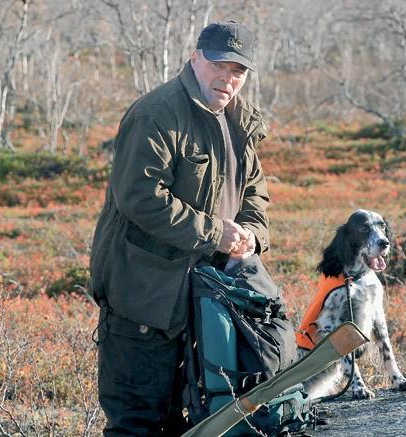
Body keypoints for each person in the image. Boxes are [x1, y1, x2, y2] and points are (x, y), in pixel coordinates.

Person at [89, 20, 270, 436]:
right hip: (144, 298)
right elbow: (139, 197)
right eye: (219, 65)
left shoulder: (240, 119)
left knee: (199, 420)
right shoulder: (157, 113)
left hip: (206, 298)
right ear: (195, 59)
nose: (227, 78)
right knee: (139, 423)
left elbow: (256, 191)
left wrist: (250, 235)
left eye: (238, 71)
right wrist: (213, 233)